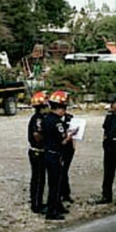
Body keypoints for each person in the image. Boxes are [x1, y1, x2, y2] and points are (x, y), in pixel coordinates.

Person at [41, 92, 71, 220]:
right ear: (60, 108)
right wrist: (69, 136)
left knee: (52, 182)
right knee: (55, 184)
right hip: (55, 155)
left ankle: (57, 205)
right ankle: (52, 211)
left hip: (47, 153)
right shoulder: (57, 123)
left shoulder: (46, 119)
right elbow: (63, 141)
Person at [27, 91, 49, 214]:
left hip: (38, 151)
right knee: (38, 178)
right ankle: (36, 204)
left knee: (39, 178)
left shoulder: (39, 118)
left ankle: (37, 201)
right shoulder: (38, 119)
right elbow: (37, 136)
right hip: (37, 151)